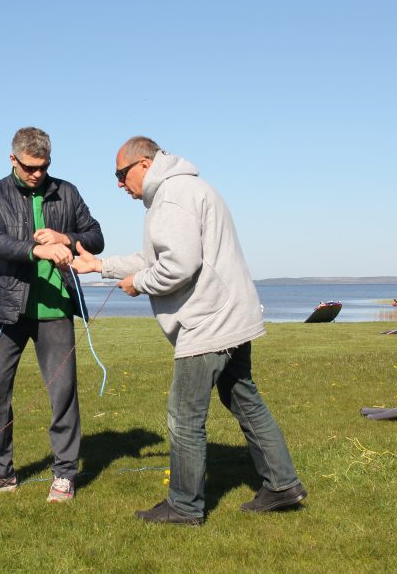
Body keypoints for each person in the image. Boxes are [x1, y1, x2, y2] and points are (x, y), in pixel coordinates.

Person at [71, 136, 305, 524]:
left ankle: (184, 505)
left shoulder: (173, 196)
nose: (118, 184)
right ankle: (282, 485)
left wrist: (138, 283)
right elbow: (154, 257)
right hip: (229, 315)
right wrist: (100, 265)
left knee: (184, 416)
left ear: (143, 164)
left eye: (120, 174)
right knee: (244, 398)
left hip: (208, 321)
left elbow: (177, 266)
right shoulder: (184, 188)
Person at [0, 127, 105, 503]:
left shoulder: (67, 192)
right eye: (29, 167)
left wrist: (64, 238)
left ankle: (64, 474)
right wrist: (34, 250)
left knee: (63, 393)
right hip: (7, 309)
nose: (36, 174)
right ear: (13, 160)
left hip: (56, 308)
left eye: (43, 166)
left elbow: (96, 236)